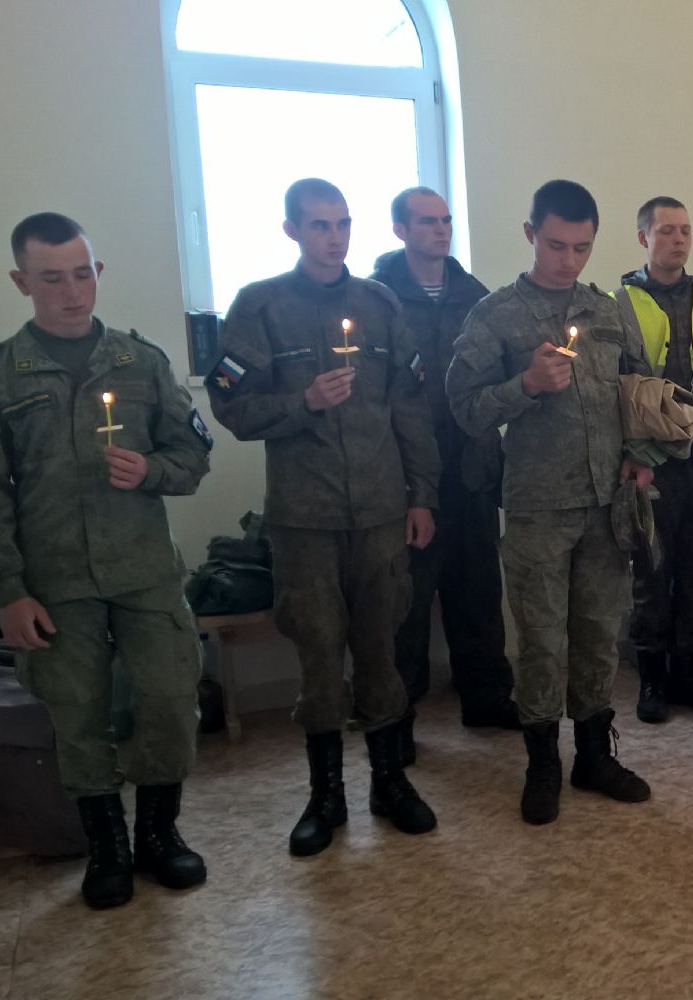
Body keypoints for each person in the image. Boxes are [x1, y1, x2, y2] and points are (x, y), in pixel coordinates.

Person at [0, 212, 211, 908]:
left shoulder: (140, 362)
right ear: (21, 282)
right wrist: (7, 590)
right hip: (55, 578)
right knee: (78, 713)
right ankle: (108, 847)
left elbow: (192, 454)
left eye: (82, 274)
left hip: (143, 569)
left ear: (97, 272)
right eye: (52, 279)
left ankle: (158, 833)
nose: (72, 292)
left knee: (168, 699)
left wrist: (151, 470)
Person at [210, 179, 439, 856]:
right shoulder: (260, 307)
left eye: (342, 224)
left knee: (381, 649)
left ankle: (389, 781)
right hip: (304, 518)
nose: (334, 237)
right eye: (318, 225)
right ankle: (326, 795)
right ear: (292, 230)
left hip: (379, 510)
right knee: (318, 652)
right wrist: (301, 402)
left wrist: (422, 494)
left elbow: (409, 407)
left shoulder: (379, 304)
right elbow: (231, 407)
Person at [447, 180, 655, 824]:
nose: (569, 260)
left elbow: (641, 390)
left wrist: (641, 454)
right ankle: (543, 764)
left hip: (606, 503)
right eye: (557, 245)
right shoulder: (495, 315)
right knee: (540, 643)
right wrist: (527, 384)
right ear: (530, 233)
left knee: (598, 636)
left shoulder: (608, 310)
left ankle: (593, 755)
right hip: (539, 506)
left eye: (582, 247)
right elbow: (465, 409)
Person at [372, 186, 519, 754]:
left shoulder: (475, 296)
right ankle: (398, 717)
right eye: (427, 221)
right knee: (406, 603)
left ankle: (486, 697)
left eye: (446, 220)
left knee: (478, 588)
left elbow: (498, 375)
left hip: (472, 465)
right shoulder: (379, 297)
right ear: (400, 230)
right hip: (409, 474)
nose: (441, 230)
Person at [613, 196, 693, 724]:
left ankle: (687, 673)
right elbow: (615, 389)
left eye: (685, 230)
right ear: (644, 238)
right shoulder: (619, 304)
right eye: (666, 231)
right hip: (653, 461)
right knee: (652, 574)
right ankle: (652, 680)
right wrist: (632, 455)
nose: (678, 239)